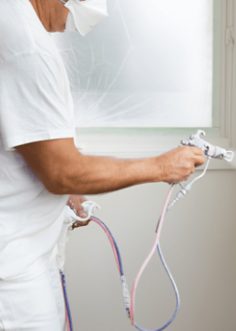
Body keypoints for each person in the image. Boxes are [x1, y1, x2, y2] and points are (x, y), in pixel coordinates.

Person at [0, 0, 205, 330]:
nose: (67, 27)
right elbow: (61, 171)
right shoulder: (27, 47)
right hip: (11, 276)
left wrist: (62, 190)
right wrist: (161, 167)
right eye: (71, 14)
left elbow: (26, 149)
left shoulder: (11, 21)